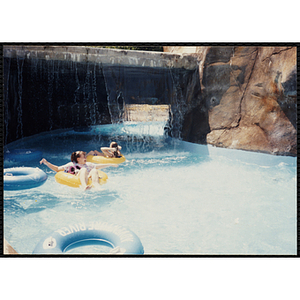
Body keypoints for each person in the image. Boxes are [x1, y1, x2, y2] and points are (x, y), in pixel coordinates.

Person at [40, 151, 118, 191]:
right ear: (78, 159)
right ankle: (84, 186)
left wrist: (110, 164)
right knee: (83, 170)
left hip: (88, 176)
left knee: (94, 170)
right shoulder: (71, 165)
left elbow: (98, 166)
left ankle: (97, 187)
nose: (86, 158)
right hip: (78, 176)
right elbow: (57, 169)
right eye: (84, 157)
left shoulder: (88, 164)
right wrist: (46, 163)